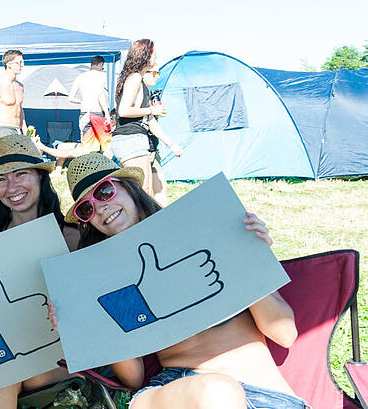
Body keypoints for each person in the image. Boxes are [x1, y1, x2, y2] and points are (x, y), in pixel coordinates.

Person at [57, 152, 304, 409]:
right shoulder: (112, 278)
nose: (99, 208)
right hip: (174, 390)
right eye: (86, 209)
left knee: (220, 392)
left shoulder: (202, 230)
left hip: (265, 396)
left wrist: (241, 256)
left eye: (104, 192)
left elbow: (285, 334)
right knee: (218, 391)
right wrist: (93, 319)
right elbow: (134, 377)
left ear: (128, 187)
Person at [0, 135, 80, 408]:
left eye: (21, 174)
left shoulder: (70, 235)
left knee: (0, 374)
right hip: (9, 341)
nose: (12, 187)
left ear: (41, 178)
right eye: (1, 180)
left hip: (59, 349)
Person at [110, 39, 179, 195]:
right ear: (145, 56)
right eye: (154, 54)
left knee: (146, 191)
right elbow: (124, 111)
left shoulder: (140, 82)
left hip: (137, 139)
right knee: (142, 191)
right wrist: (151, 109)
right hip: (129, 139)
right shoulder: (134, 78)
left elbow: (150, 122)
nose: (156, 58)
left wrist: (171, 144)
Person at [140, 68, 181, 206]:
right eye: (154, 73)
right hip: (139, 150)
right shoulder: (137, 92)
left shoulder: (149, 94)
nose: (157, 77)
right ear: (144, 72)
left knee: (161, 188)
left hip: (152, 147)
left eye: (158, 73)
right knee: (143, 191)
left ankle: (163, 219)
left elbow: (152, 122)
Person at [0, 50, 28, 155]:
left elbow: (20, 109)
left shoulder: (20, 86)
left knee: (20, 161)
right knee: (8, 163)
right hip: (3, 129)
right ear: (9, 64)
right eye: (19, 62)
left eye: (23, 62)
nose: (22, 65)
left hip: (18, 129)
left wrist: (25, 129)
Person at [69, 55, 109, 137]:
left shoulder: (80, 77)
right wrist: (107, 113)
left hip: (85, 112)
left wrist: (82, 101)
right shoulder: (102, 76)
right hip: (98, 112)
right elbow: (101, 96)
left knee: (86, 143)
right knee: (102, 142)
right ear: (101, 64)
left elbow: (71, 98)